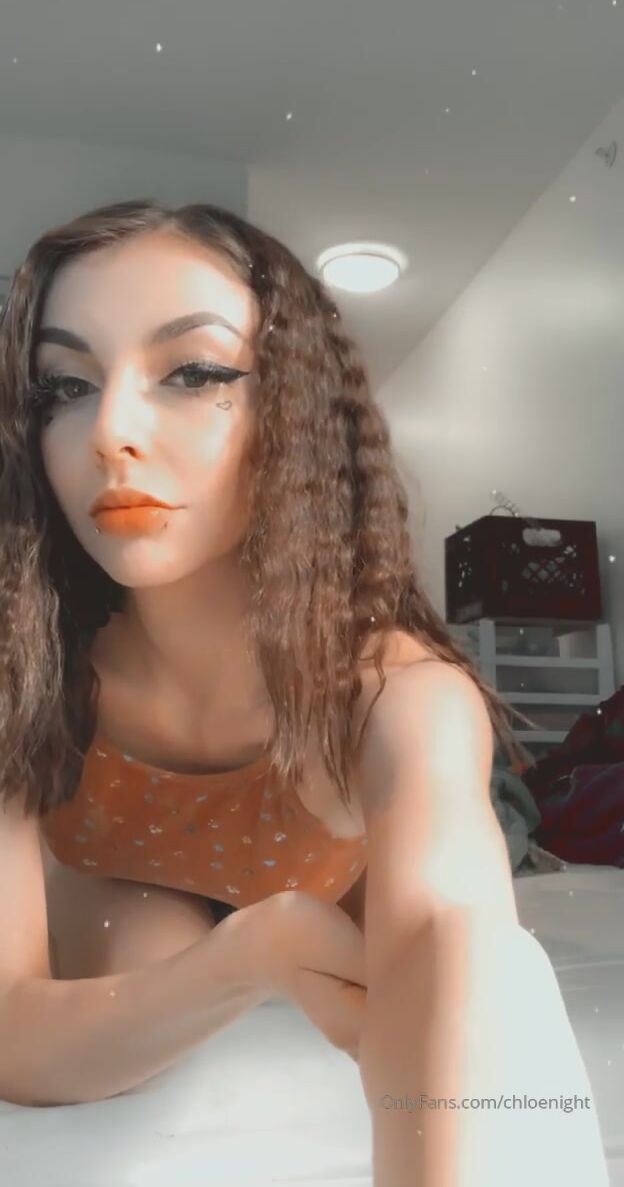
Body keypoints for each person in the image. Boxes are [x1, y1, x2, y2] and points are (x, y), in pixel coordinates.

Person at [0, 199, 608, 1185]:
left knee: (478, 960)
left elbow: (452, 957)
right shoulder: (29, 680)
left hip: (371, 847)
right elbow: (14, 1034)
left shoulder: (398, 693)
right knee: (137, 941)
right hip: (134, 892)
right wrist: (251, 952)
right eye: (66, 385)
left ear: (293, 410)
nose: (111, 431)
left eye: (194, 372)